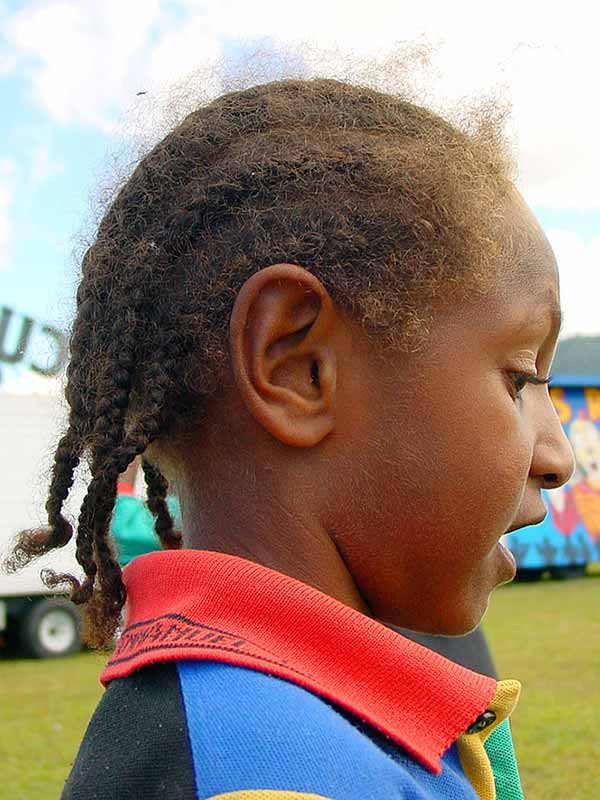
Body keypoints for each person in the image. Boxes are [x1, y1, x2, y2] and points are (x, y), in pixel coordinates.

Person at [9, 75, 574, 799]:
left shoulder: (278, 712)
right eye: (520, 376)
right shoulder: (268, 774)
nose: (558, 457)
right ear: (299, 366)